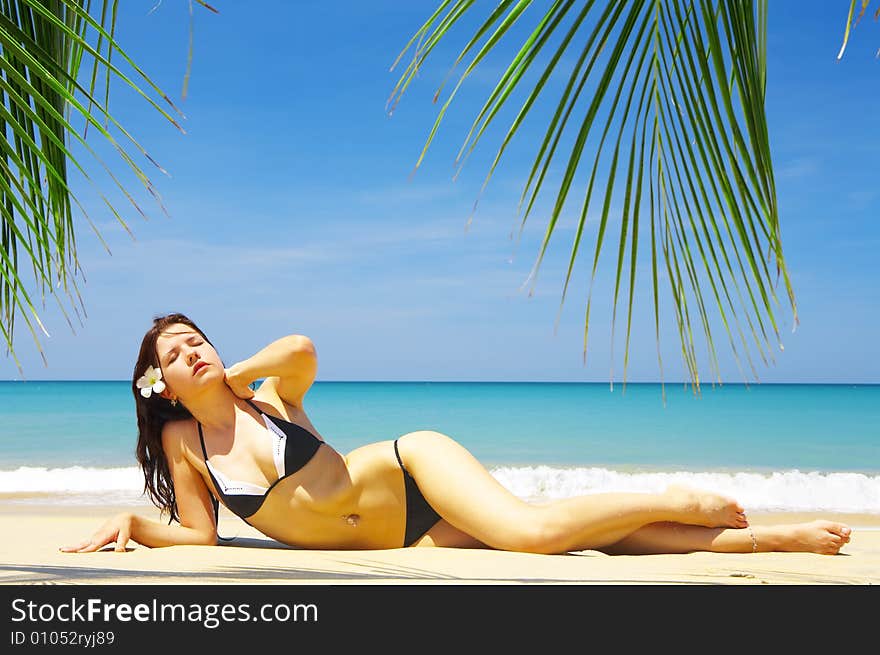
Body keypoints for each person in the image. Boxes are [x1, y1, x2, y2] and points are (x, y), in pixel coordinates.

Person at [61, 313, 852, 556]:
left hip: (410, 469)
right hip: (407, 540)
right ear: (160, 383)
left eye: (197, 337)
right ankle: (769, 540)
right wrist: (133, 523)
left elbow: (302, 349)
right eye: (176, 353)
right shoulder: (184, 447)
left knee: (536, 530)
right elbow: (200, 537)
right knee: (590, 546)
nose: (195, 350)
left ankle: (672, 492)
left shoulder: (267, 391)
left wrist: (237, 378)